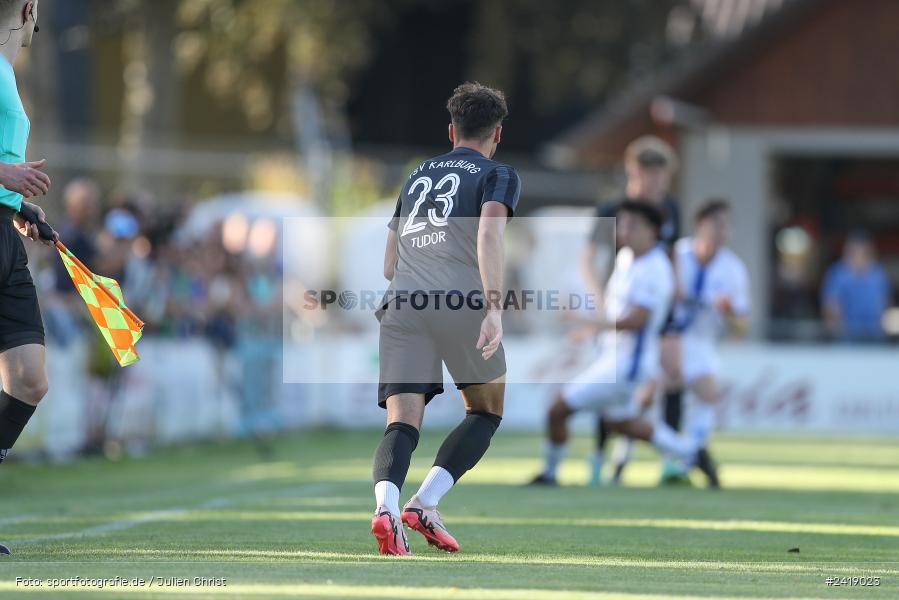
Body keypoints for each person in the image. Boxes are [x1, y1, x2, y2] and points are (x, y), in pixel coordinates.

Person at [370, 82, 521, 555]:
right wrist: (493, 306)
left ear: (451, 129)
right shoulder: (498, 174)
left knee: (402, 425)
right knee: (486, 411)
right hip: (457, 302)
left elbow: (389, 264)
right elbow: (489, 236)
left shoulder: (416, 176)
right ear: (496, 134)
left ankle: (387, 512)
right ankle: (425, 502)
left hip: (402, 304)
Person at [529, 201, 699, 486]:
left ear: (653, 231)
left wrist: (588, 322)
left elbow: (637, 321)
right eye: (622, 223)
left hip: (626, 365)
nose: (624, 230)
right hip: (615, 357)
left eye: (633, 225)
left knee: (557, 409)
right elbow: (617, 314)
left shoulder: (655, 268)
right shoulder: (626, 259)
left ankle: (549, 473)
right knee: (620, 424)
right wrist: (592, 332)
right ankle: (690, 451)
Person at [577, 136, 685, 486]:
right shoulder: (611, 210)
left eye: (663, 176)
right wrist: (600, 301)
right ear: (634, 173)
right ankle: (601, 455)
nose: (659, 184)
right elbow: (588, 260)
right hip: (616, 308)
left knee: (672, 373)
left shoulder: (671, 209)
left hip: (654, 307)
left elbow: (670, 257)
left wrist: (675, 294)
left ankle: (671, 460)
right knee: (608, 383)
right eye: (652, 175)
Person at [619, 200, 749, 488]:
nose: (723, 231)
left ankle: (687, 456)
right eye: (717, 224)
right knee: (645, 399)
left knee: (709, 394)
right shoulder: (677, 255)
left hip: (701, 342)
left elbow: (742, 325)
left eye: (727, 225)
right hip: (666, 338)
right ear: (700, 225)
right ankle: (622, 460)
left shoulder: (733, 268)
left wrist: (728, 313)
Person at [0, 0, 51, 557]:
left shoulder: (6, 68)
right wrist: (4, 173)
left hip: (6, 237)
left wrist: (18, 204)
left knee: (29, 379)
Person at [821, 232, 891, 343]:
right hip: (846, 333)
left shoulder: (877, 274)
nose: (859, 256)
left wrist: (885, 326)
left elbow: (885, 303)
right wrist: (835, 327)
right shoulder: (838, 273)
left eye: (863, 252)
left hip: (874, 332)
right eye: (855, 252)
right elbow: (831, 304)